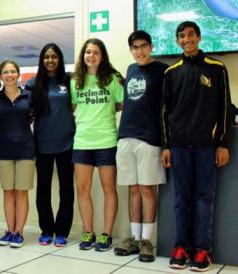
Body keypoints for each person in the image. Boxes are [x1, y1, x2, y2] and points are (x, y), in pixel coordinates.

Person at [162, 21, 231, 272]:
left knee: (204, 198)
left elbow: (225, 107)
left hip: (206, 147)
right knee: (181, 199)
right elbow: (164, 112)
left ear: (199, 38)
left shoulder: (216, 68)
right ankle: (181, 247)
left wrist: (222, 143)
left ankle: (202, 250)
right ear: (177, 41)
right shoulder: (172, 72)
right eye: (181, 35)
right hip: (179, 147)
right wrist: (166, 146)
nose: (186, 39)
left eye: (191, 34)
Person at [113, 30, 167, 262]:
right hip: (126, 137)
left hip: (149, 138)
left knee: (147, 189)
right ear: (131, 50)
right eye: (135, 47)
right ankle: (134, 238)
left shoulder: (163, 70)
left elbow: (169, 106)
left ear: (151, 47)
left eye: (143, 46)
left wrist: (166, 143)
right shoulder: (130, 69)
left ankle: (147, 241)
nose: (139, 51)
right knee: (132, 188)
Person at [70, 38, 123, 252]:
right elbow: (74, 107)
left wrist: (106, 112)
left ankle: (106, 234)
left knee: (109, 188)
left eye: (95, 52)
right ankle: (88, 231)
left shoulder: (112, 79)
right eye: (87, 52)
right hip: (82, 140)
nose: (90, 56)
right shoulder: (76, 81)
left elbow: (122, 103)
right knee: (83, 189)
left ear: (102, 57)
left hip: (106, 140)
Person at [26, 43, 75, 247]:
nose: (50, 60)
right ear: (42, 60)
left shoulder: (69, 80)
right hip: (42, 143)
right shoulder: (33, 83)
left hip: (67, 143)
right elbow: (24, 108)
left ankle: (62, 231)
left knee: (66, 189)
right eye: (46, 57)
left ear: (60, 59)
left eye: (54, 56)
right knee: (43, 189)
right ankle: (46, 230)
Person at [0, 60, 34, 248]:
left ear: (18, 74)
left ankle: (19, 232)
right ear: (0, 76)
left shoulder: (29, 96)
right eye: (5, 72)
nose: (9, 75)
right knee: (8, 192)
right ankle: (9, 230)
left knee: (21, 192)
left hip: (26, 149)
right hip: (4, 150)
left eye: (12, 71)